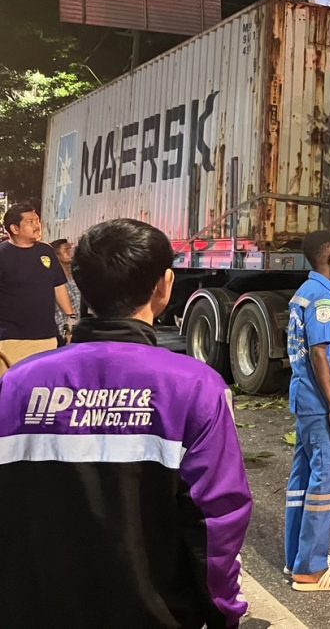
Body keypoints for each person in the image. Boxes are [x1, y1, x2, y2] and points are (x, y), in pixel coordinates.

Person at [0, 218, 252, 627]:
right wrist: (223, 613)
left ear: (81, 283)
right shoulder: (194, 389)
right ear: (164, 287)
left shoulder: (17, 385)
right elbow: (217, 522)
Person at [285, 229, 330, 592]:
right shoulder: (323, 299)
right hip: (319, 404)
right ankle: (310, 569)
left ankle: (298, 554)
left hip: (304, 402)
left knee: (303, 482)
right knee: (323, 484)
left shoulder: (304, 293)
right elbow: (319, 353)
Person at [0, 203, 75, 377]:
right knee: (12, 389)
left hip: (46, 337)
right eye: (30, 221)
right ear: (14, 228)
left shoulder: (46, 251)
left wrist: (70, 319)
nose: (37, 225)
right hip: (11, 339)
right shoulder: (2, 254)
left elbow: (59, 286)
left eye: (37, 220)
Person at [51, 238, 82, 342]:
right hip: (62, 328)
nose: (70, 252)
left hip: (77, 326)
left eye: (71, 248)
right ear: (56, 255)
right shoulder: (54, 280)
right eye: (66, 249)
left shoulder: (77, 276)